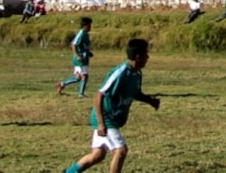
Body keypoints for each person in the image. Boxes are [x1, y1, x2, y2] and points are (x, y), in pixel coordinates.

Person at [63, 38, 160, 173]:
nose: (148, 58)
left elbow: (135, 93)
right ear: (138, 57)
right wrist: (101, 123)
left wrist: (150, 100)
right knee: (121, 150)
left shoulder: (137, 73)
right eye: (145, 55)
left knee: (97, 155)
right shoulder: (120, 73)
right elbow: (98, 95)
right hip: (106, 117)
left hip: (112, 118)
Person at [58, 17, 94, 97]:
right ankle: (81, 94)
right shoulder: (81, 33)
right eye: (89, 25)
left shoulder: (86, 34)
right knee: (84, 76)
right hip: (79, 59)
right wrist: (77, 55)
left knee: (78, 77)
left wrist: (88, 53)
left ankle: (62, 84)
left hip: (84, 58)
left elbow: (83, 46)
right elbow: (73, 45)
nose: (90, 27)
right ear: (85, 26)